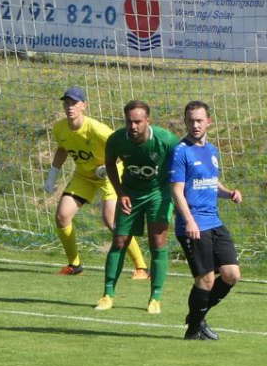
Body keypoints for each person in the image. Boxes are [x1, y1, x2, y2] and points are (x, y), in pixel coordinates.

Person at [44, 86, 148, 279]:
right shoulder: (60, 128)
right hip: (84, 176)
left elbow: (121, 146)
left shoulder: (97, 129)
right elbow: (62, 149)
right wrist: (53, 174)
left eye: (74, 103)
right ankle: (74, 264)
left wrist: (107, 167)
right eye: (67, 103)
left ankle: (142, 268)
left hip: (110, 175)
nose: (70, 107)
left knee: (111, 221)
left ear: (84, 106)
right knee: (62, 216)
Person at [95, 100, 179, 314]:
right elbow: (110, 164)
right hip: (130, 194)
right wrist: (120, 192)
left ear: (147, 121)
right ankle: (107, 294)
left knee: (157, 241)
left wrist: (178, 196)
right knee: (120, 240)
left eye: (138, 122)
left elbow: (181, 165)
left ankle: (155, 298)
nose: (133, 126)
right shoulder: (116, 139)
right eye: (129, 122)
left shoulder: (166, 140)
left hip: (158, 194)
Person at [170, 100, 241, 340]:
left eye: (199, 120)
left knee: (231, 274)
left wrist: (228, 192)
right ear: (185, 121)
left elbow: (211, 183)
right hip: (193, 224)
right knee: (206, 279)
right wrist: (189, 221)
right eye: (190, 120)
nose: (195, 125)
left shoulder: (211, 150)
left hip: (214, 221)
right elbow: (177, 191)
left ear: (209, 121)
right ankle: (193, 331)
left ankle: (197, 318)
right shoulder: (181, 151)